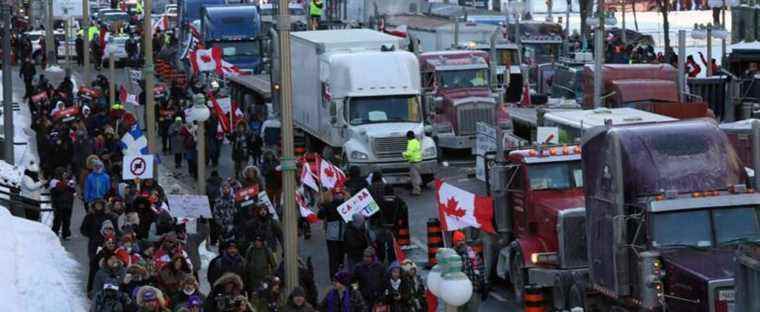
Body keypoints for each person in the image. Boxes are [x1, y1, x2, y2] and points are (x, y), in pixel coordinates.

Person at [452, 231, 488, 312]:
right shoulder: (451, 255)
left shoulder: (472, 253)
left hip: (474, 289)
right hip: (458, 291)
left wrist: (485, 284)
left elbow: (481, 268)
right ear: (454, 242)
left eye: (462, 240)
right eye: (458, 241)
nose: (461, 243)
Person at [317, 189, 347, 278]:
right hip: (339, 235)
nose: (339, 196)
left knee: (334, 256)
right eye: (337, 194)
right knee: (339, 256)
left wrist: (322, 206)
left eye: (339, 193)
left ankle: (334, 275)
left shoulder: (328, 205)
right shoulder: (346, 205)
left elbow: (320, 216)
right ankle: (337, 273)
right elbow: (320, 216)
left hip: (334, 235)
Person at [51, 171, 76, 240]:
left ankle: (65, 234)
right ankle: (54, 232)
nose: (66, 180)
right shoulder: (58, 184)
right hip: (60, 206)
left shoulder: (70, 185)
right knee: (58, 220)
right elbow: (55, 193)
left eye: (67, 179)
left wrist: (72, 189)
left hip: (68, 206)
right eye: (65, 178)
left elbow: (73, 193)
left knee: (67, 221)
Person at [402, 130, 422, 195]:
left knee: (414, 177)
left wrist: (403, 154)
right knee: (416, 176)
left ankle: (416, 191)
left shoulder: (411, 143)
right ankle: (418, 185)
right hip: (418, 161)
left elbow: (409, 154)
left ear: (409, 136)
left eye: (407, 137)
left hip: (414, 162)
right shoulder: (416, 141)